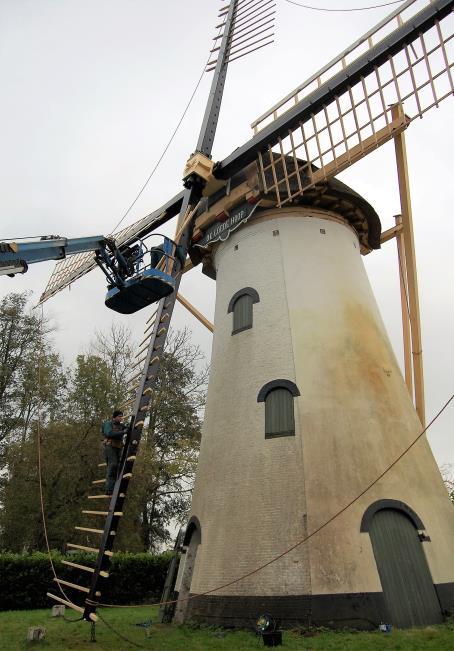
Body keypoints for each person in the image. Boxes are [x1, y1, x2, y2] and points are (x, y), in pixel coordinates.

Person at [102, 410, 127, 495]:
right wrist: (123, 432)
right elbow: (109, 433)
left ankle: (115, 488)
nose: (121, 418)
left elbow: (127, 428)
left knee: (119, 467)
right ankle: (109, 489)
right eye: (119, 416)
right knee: (113, 465)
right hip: (110, 446)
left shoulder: (121, 426)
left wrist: (127, 428)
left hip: (118, 447)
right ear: (114, 417)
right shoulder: (108, 424)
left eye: (121, 416)